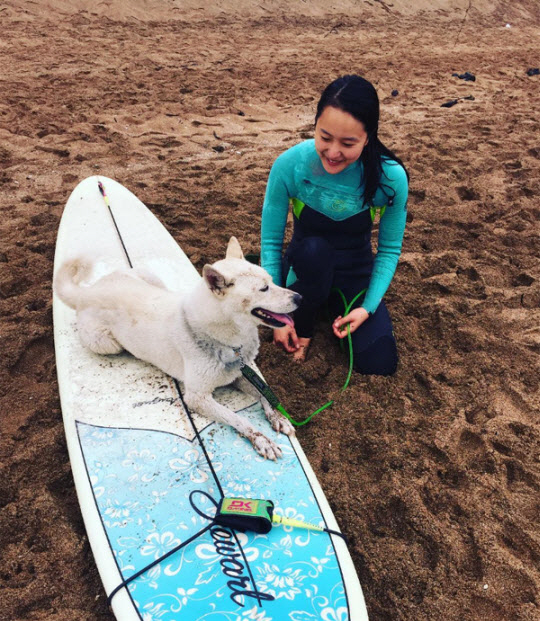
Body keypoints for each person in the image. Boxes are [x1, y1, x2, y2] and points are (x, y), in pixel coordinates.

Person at [260, 74, 409, 375]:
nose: (333, 152)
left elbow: (390, 249)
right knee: (315, 250)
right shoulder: (290, 165)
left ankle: (331, 307)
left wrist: (366, 308)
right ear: (314, 126)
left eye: (348, 143)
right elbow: (271, 243)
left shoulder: (390, 178)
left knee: (380, 363)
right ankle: (305, 324)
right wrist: (278, 314)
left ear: (369, 136)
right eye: (324, 137)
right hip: (302, 272)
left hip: (354, 275)